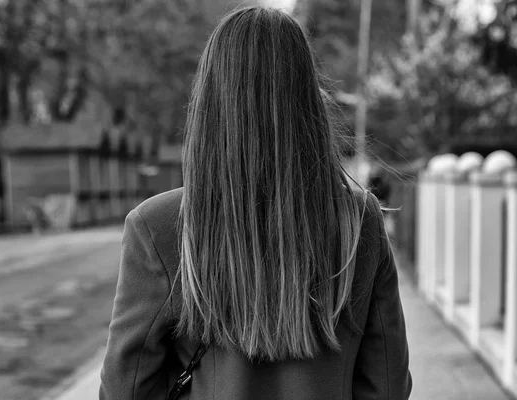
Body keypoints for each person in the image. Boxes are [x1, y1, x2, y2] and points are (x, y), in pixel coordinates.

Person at [99, 6, 411, 400]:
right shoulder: (358, 222)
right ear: (307, 98)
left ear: (209, 103)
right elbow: (388, 385)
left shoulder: (158, 227)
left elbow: (124, 389)